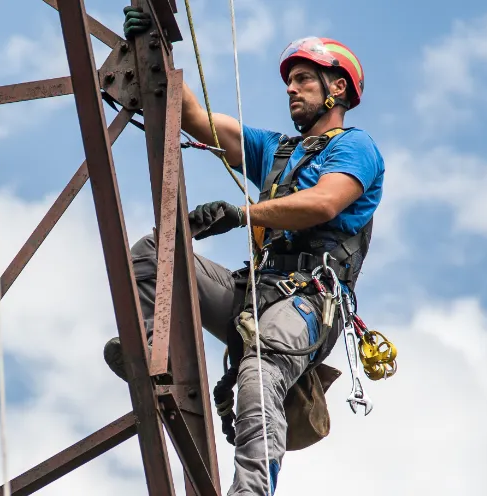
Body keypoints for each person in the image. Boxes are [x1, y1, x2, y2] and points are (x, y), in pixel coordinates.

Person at [103, 7, 385, 496]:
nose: (291, 89)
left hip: (306, 301)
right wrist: (151, 46)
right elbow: (195, 118)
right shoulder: (278, 150)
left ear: (337, 88)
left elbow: (324, 203)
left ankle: (251, 491)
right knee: (153, 253)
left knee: (260, 369)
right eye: (290, 82)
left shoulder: (355, 147)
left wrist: (242, 213)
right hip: (254, 291)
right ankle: (152, 352)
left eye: (303, 79)